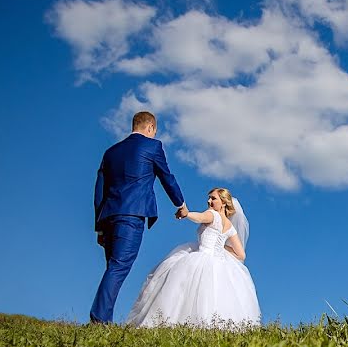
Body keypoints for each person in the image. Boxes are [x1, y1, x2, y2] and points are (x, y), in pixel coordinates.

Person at [90, 111, 188, 324]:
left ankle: (104, 319)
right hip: (131, 215)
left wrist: (99, 227)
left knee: (113, 267)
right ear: (151, 128)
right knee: (119, 265)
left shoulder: (110, 152)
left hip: (108, 216)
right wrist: (180, 204)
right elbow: (166, 177)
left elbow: (99, 191)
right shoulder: (153, 146)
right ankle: (99, 319)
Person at [126, 188, 261, 328]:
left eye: (213, 198)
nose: (209, 201)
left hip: (202, 258)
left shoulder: (213, 215)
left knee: (183, 292)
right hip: (220, 264)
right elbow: (241, 255)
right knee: (214, 298)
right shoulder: (229, 226)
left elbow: (200, 217)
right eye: (209, 198)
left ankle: (172, 323)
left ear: (223, 202)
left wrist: (187, 214)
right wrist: (220, 247)